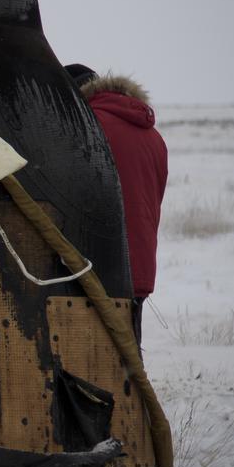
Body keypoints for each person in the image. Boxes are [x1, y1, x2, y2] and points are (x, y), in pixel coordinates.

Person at [66, 64, 168, 344]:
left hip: (97, 264)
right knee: (127, 357)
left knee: (90, 362)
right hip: (139, 264)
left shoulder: (87, 128)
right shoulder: (153, 136)